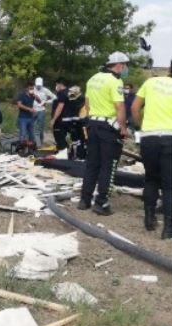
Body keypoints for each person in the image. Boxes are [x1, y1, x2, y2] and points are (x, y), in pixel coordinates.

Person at [131, 56, 172, 239]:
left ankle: (149, 220)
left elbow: (135, 108)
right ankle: (169, 230)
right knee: (170, 185)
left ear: (169, 68)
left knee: (151, 179)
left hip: (148, 137)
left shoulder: (151, 82)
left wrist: (142, 126)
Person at [79, 51, 130, 215]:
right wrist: (123, 128)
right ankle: (102, 202)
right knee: (108, 165)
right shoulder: (116, 81)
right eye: (125, 65)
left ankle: (84, 199)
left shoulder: (93, 78)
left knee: (92, 163)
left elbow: (86, 104)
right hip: (108, 128)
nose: (125, 69)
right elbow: (120, 107)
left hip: (92, 124)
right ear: (119, 65)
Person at [63, 85, 87, 159]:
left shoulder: (81, 99)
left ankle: (79, 155)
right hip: (72, 122)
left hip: (78, 122)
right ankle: (74, 155)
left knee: (79, 140)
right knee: (73, 140)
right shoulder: (71, 99)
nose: (70, 93)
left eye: (72, 92)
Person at [32, 77, 56, 147]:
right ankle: (36, 144)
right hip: (32, 111)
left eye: (39, 85)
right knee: (32, 127)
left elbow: (54, 98)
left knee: (40, 128)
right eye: (37, 85)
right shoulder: (32, 89)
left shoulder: (45, 90)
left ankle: (40, 143)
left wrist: (46, 102)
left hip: (41, 111)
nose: (38, 87)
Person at [50, 79, 69, 151]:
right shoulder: (70, 92)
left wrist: (53, 120)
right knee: (63, 138)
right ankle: (67, 151)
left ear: (60, 84)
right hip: (68, 119)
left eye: (56, 84)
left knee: (59, 137)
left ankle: (62, 153)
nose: (56, 86)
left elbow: (60, 107)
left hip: (60, 120)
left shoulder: (61, 93)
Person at [16, 82, 36, 146]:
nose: (32, 90)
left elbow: (40, 101)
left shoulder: (32, 96)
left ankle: (31, 148)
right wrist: (29, 109)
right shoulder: (22, 95)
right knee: (23, 134)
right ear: (27, 88)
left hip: (30, 117)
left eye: (33, 88)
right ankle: (21, 149)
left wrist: (36, 96)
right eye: (30, 88)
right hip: (23, 118)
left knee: (32, 134)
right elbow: (19, 105)